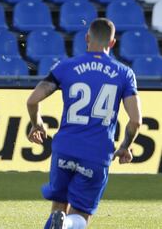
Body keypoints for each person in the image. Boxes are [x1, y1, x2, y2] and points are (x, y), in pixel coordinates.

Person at [26, 18, 142, 229]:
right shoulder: (125, 74)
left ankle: (61, 221)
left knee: (57, 207)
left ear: (87, 38)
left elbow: (33, 100)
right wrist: (125, 146)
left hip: (65, 148)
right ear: (113, 43)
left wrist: (37, 124)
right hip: (97, 153)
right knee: (80, 214)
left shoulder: (66, 66)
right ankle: (68, 223)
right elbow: (135, 120)